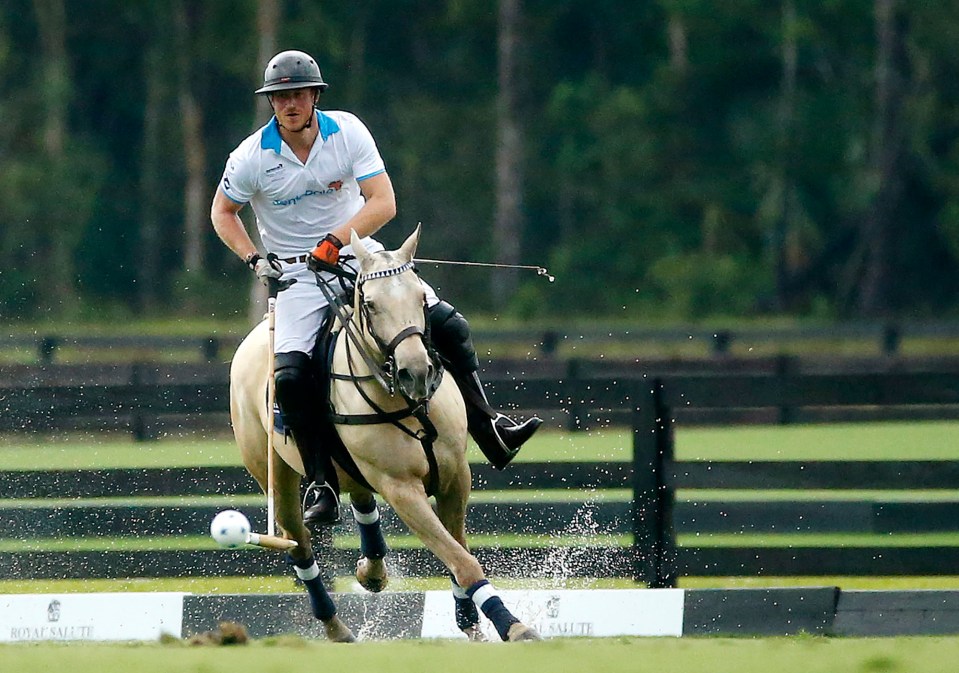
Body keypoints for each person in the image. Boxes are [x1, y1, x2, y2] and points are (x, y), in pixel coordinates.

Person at [211, 50, 542, 528]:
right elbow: (223, 212)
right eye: (280, 97)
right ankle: (321, 482)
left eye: (298, 95)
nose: (289, 104)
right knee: (288, 379)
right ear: (272, 103)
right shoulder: (250, 157)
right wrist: (254, 258)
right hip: (298, 280)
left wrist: (336, 240)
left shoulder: (346, 131)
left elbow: (383, 201)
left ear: (314, 96)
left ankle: (489, 426)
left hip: (362, 259)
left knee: (449, 325)